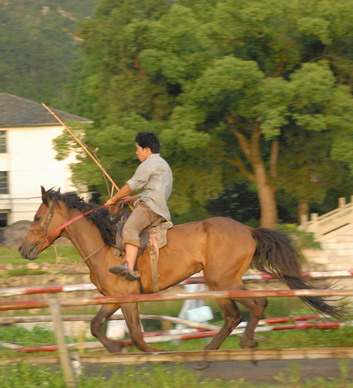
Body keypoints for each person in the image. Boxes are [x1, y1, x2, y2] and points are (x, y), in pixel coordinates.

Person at [105, 131, 173, 281]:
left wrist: (114, 199)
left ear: (146, 149)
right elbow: (155, 191)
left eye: (137, 148)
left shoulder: (148, 164)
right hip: (160, 208)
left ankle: (128, 267)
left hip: (150, 208)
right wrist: (132, 199)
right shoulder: (163, 164)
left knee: (129, 228)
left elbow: (131, 185)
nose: (137, 153)